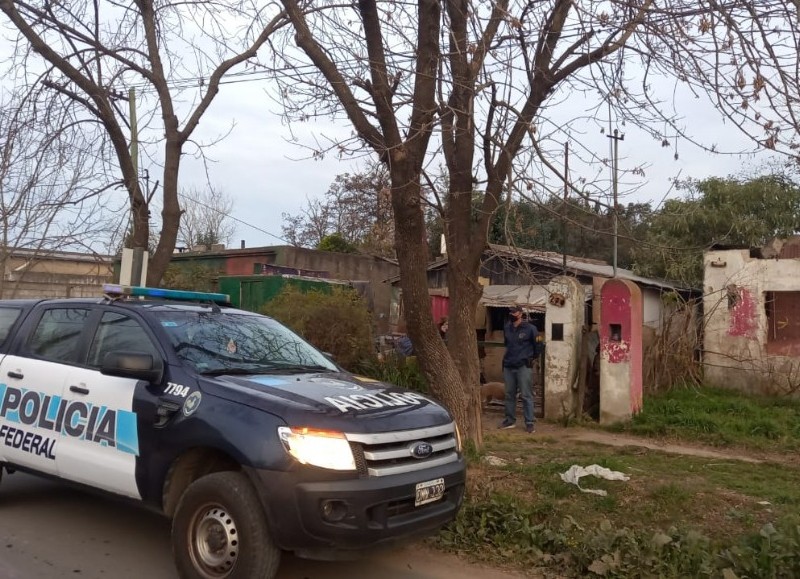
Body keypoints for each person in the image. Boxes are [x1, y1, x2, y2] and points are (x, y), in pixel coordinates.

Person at [499, 305, 539, 433]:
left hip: (523, 366)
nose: (512, 315)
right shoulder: (507, 328)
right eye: (511, 312)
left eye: (514, 312)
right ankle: (510, 420)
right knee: (509, 394)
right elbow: (507, 344)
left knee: (526, 395)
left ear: (521, 314)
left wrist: (532, 357)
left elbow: (539, 344)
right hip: (509, 365)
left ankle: (529, 422)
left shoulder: (531, 329)